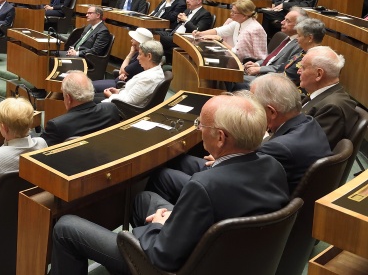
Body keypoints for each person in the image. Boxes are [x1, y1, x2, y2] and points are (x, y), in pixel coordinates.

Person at [50, 93, 289, 275]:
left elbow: (162, 257)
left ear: (220, 137)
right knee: (143, 200)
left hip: (175, 266)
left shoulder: (204, 186)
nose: (199, 129)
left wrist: (161, 226)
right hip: (230, 257)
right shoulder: (273, 167)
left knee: (66, 227)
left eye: (201, 126)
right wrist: (171, 223)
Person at [148, 76, 329, 204]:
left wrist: (222, 161)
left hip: (240, 195)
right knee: (182, 160)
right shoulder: (309, 122)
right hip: (259, 185)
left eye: (252, 104)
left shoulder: (280, 148)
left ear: (272, 112)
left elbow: (243, 170)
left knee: (161, 178)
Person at [299, 46, 360, 149]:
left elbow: (308, 148)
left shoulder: (332, 108)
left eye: (303, 68)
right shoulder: (321, 94)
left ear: (319, 74)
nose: (298, 71)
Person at [40, 71, 121, 146]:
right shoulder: (111, 109)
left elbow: (39, 153)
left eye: (63, 95)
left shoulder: (57, 125)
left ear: (68, 98)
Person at [240, 7, 306, 86]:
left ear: (299, 26)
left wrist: (260, 69)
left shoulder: (300, 44)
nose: (282, 22)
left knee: (233, 79)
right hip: (261, 72)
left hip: (270, 79)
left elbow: (284, 67)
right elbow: (272, 58)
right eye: (284, 19)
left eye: (287, 21)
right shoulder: (287, 38)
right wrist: (257, 64)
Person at [194, 0, 267, 62]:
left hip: (248, 65)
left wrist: (220, 40)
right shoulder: (238, 22)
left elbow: (238, 53)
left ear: (244, 15)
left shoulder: (255, 29)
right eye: (231, 11)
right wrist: (200, 33)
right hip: (234, 59)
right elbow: (219, 31)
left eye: (234, 13)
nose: (231, 14)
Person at [101, 40, 165, 106]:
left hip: (119, 106)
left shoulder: (149, 79)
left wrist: (111, 95)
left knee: (91, 102)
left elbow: (129, 101)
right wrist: (118, 91)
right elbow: (134, 94)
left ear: (149, 56)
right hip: (120, 97)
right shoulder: (154, 71)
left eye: (140, 54)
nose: (138, 57)